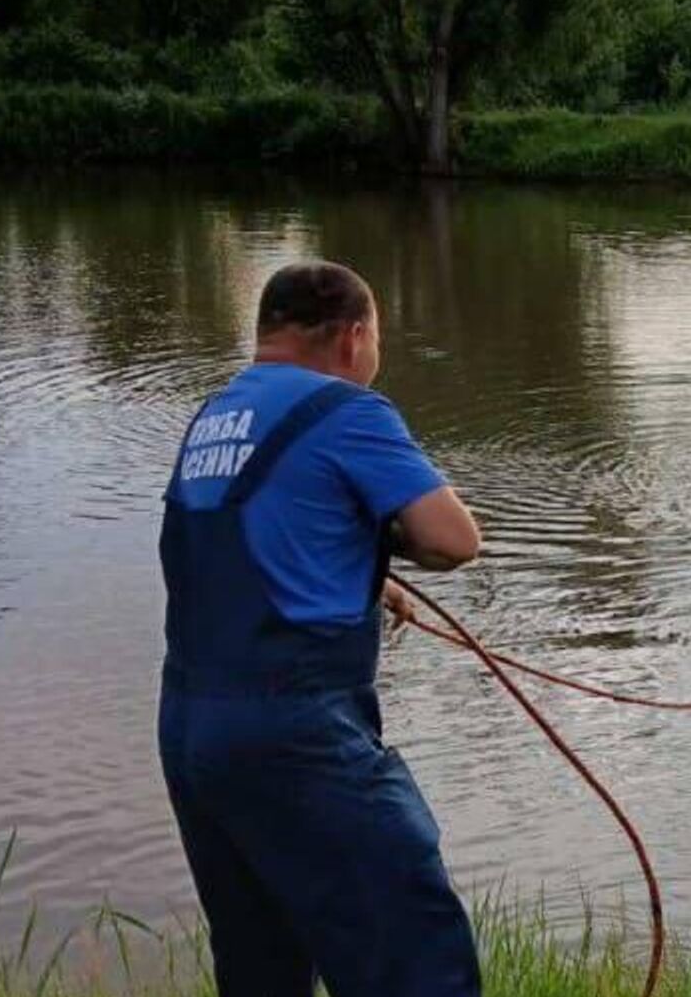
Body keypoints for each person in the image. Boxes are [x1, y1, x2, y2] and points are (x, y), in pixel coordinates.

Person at [158, 261, 484, 997]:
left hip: (191, 732)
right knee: (415, 958)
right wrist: (386, 539)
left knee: (262, 967)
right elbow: (453, 538)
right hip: (295, 733)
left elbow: (244, 547)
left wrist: (365, 571)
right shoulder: (347, 408)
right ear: (356, 336)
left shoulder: (216, 416)